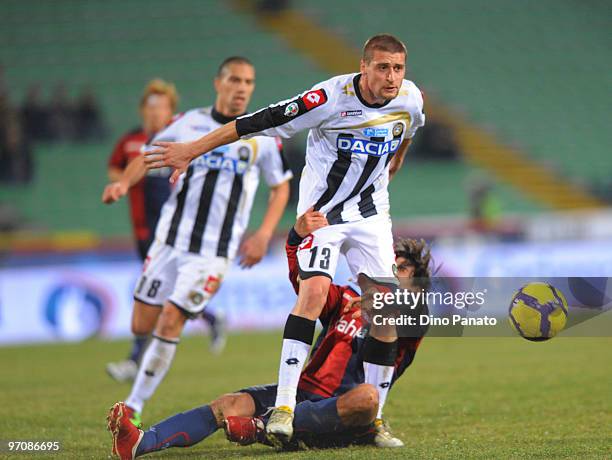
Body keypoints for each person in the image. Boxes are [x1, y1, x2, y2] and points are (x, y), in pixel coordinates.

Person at [143, 33, 425, 444]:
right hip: (321, 215)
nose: (391, 76)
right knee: (313, 293)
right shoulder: (329, 98)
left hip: (370, 214)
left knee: (384, 312)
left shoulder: (411, 99)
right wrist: (193, 149)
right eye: (383, 67)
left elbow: (408, 132)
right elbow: (258, 121)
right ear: (363, 67)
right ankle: (286, 407)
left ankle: (375, 420)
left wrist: (391, 168)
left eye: (398, 68)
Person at [106, 209, 431, 458]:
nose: (391, 270)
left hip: (342, 410)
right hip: (301, 393)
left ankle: (261, 427)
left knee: (367, 399)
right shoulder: (346, 300)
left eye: (401, 269)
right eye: (391, 263)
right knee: (227, 404)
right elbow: (306, 287)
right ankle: (139, 442)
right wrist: (294, 239)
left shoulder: (410, 314)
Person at [104, 56, 292, 418]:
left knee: (172, 319)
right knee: (141, 322)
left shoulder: (262, 137)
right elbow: (146, 157)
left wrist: (264, 233)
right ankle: (140, 364)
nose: (242, 88)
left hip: (213, 253)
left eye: (249, 82)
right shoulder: (188, 123)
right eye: (235, 80)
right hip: (170, 243)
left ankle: (133, 407)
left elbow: (280, 188)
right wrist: (123, 183)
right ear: (218, 83)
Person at [105, 79, 231, 383]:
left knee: (162, 297)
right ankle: (212, 318)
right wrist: (123, 183)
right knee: (165, 297)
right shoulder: (131, 142)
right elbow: (116, 171)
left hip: (176, 233)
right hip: (142, 228)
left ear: (170, 111)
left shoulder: (184, 137)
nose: (154, 114)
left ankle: (134, 361)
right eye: (149, 108)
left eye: (160, 107)